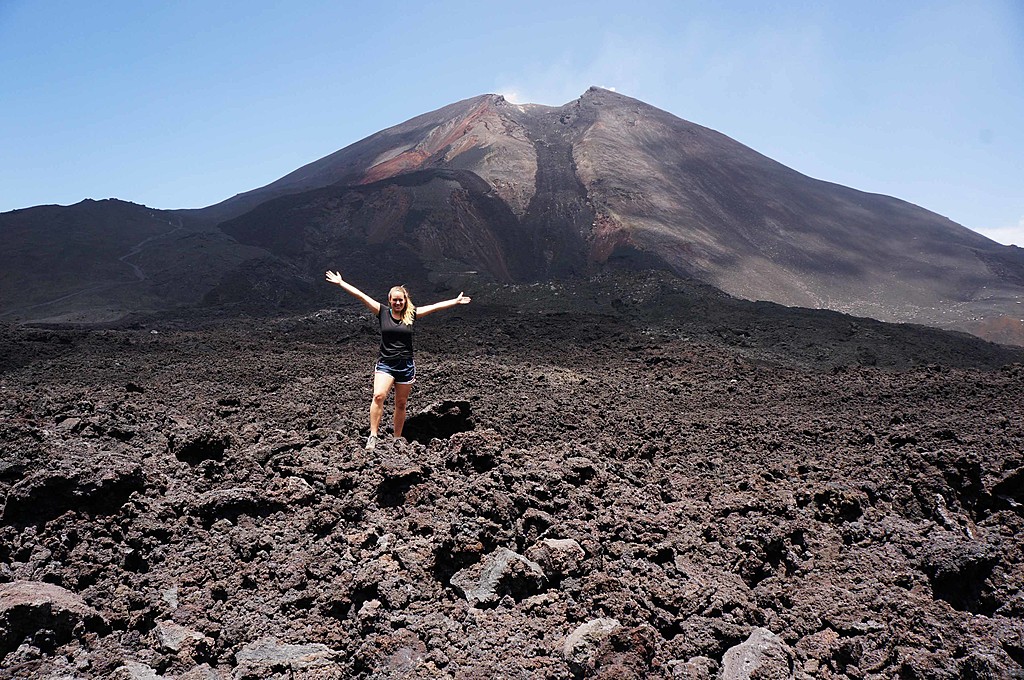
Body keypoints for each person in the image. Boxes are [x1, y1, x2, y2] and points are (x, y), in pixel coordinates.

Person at [325, 271, 471, 450]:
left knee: (400, 403)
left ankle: (397, 438)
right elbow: (361, 296)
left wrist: (454, 302)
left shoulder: (411, 315)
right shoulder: (382, 312)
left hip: (405, 365)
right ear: (390, 300)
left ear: (405, 300)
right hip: (386, 364)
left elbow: (434, 306)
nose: (398, 302)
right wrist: (341, 283)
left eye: (401, 300)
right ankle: (373, 435)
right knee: (378, 395)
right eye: (395, 300)